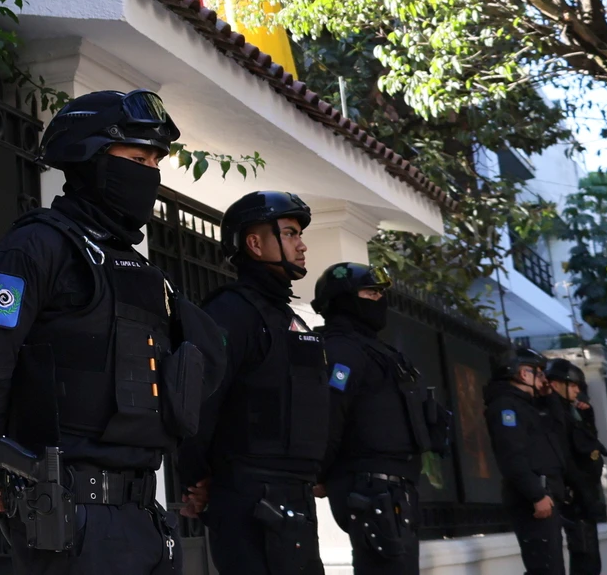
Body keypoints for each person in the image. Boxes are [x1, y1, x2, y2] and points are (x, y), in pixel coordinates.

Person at [0, 90, 223, 574]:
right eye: (138, 158)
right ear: (90, 157)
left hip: (146, 517)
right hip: (70, 515)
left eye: (156, 161)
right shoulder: (36, 246)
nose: (150, 173)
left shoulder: (144, 271)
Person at [183, 192, 329, 575]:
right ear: (254, 242)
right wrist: (196, 478)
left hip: (293, 496)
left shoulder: (290, 319)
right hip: (248, 496)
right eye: (290, 233)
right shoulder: (232, 311)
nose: (302, 244)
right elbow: (200, 400)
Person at [313, 263, 447, 575]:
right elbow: (331, 414)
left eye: (380, 293)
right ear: (343, 299)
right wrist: (319, 472)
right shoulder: (341, 350)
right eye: (370, 292)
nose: (379, 299)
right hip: (371, 488)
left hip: (393, 487)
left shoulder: (376, 350)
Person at [485, 349, 568, 575]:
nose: (543, 379)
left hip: (545, 496)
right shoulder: (506, 407)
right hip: (533, 499)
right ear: (523, 374)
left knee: (552, 568)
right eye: (538, 373)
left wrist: (550, 397)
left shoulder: (527, 406)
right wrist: (536, 494)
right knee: (545, 569)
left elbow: (560, 432)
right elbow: (511, 455)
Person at [544, 358, 606, 575]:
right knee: (584, 557)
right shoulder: (553, 413)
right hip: (574, 495)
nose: (577, 390)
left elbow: (587, 445)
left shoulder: (571, 412)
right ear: (555, 384)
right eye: (572, 385)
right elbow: (565, 457)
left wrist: (587, 417)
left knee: (590, 559)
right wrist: (584, 493)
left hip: (584, 494)